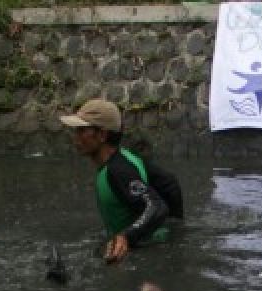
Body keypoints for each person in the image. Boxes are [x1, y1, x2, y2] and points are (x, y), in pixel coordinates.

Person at [60, 99, 183, 263]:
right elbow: (170, 182)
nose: (76, 137)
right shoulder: (126, 157)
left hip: (146, 254)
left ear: (102, 135)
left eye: (82, 130)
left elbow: (157, 206)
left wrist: (126, 237)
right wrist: (176, 231)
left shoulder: (118, 170)